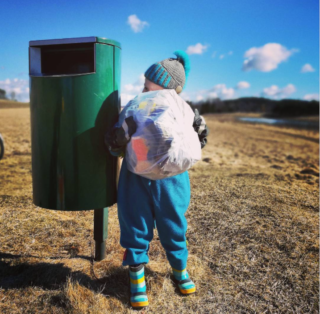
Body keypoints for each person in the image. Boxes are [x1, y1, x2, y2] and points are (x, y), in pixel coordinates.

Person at [105, 51, 208, 308]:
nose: (144, 88)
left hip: (171, 181)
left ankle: (179, 270)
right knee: (135, 225)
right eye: (144, 83)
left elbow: (192, 146)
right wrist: (117, 140)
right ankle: (136, 276)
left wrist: (200, 134)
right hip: (135, 178)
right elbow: (115, 147)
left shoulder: (183, 113)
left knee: (173, 225)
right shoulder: (135, 106)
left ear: (169, 88)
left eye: (149, 83)